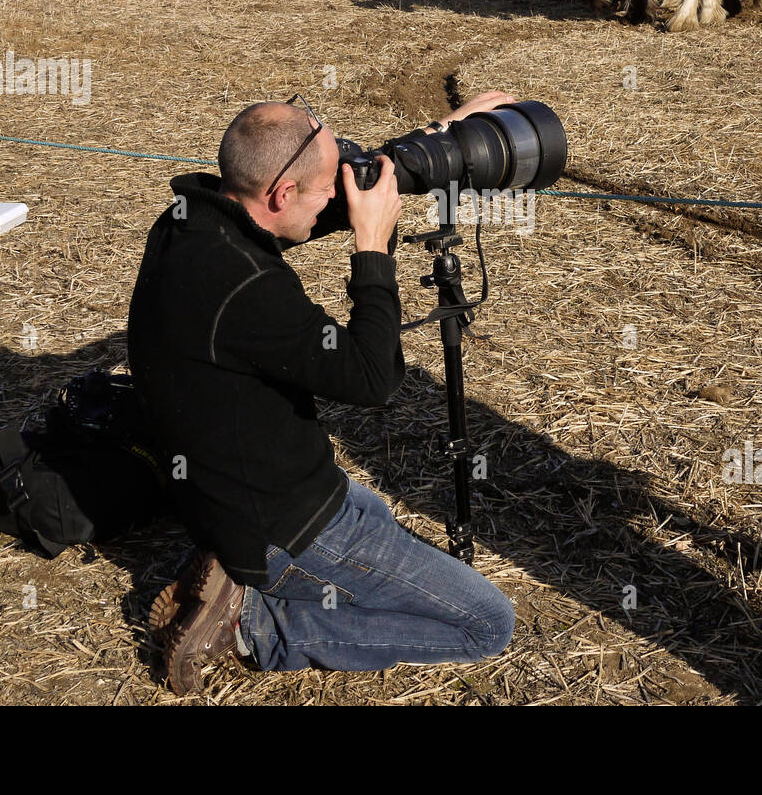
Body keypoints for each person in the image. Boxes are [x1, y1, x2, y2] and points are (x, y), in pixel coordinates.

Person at [129, 91, 519, 695]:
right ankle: (254, 626)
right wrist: (372, 249)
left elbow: (319, 200)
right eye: (325, 191)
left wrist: (440, 137)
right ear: (281, 194)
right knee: (488, 623)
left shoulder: (190, 220)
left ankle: (241, 574)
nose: (335, 199)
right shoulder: (252, 290)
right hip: (281, 524)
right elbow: (371, 378)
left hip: (241, 490)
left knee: (380, 514)